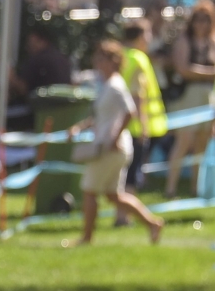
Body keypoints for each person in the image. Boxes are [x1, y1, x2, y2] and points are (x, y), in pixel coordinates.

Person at [68, 40, 164, 248]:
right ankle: (153, 223)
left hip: (111, 148)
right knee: (114, 196)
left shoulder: (116, 85)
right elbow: (103, 117)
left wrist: (114, 137)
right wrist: (80, 127)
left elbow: (130, 112)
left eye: (103, 58)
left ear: (114, 61)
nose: (98, 62)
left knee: (89, 190)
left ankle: (86, 238)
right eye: (98, 57)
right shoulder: (107, 85)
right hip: (113, 147)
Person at [116, 21, 168, 222]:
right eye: (147, 35)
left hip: (122, 124)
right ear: (139, 37)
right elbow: (138, 95)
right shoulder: (138, 59)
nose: (149, 39)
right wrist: (144, 125)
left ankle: (122, 215)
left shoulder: (122, 56)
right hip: (136, 126)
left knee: (124, 173)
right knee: (131, 175)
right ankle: (123, 218)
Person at [165, 1, 215, 199]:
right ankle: (170, 189)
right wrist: (210, 74)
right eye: (198, 20)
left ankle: (196, 189)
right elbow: (183, 69)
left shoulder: (212, 42)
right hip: (188, 96)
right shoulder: (184, 41)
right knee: (184, 141)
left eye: (206, 20)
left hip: (208, 97)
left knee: (202, 143)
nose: (202, 24)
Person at [10, 23, 74, 105]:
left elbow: (23, 88)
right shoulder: (63, 59)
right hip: (61, 108)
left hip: (37, 109)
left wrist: (11, 79)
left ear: (41, 40)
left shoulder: (37, 60)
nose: (29, 44)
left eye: (31, 41)